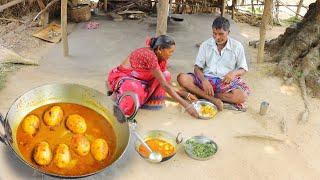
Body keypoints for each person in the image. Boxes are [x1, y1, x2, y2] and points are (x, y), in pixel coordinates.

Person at [107, 35, 199, 118]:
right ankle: (122, 102)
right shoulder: (149, 56)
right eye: (170, 52)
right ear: (159, 49)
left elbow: (164, 82)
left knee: (166, 75)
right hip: (125, 78)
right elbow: (165, 86)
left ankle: (145, 101)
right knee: (134, 89)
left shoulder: (161, 58)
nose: (171, 55)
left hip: (142, 81)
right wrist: (186, 105)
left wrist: (186, 94)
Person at [177, 16, 250, 111]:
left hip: (224, 82)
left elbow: (243, 69)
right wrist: (204, 81)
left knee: (241, 96)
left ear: (228, 32)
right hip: (206, 80)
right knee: (182, 78)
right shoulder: (205, 45)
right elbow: (197, 68)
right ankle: (213, 99)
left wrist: (233, 73)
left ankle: (201, 95)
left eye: (221, 34)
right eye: (214, 34)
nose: (217, 37)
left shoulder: (237, 46)